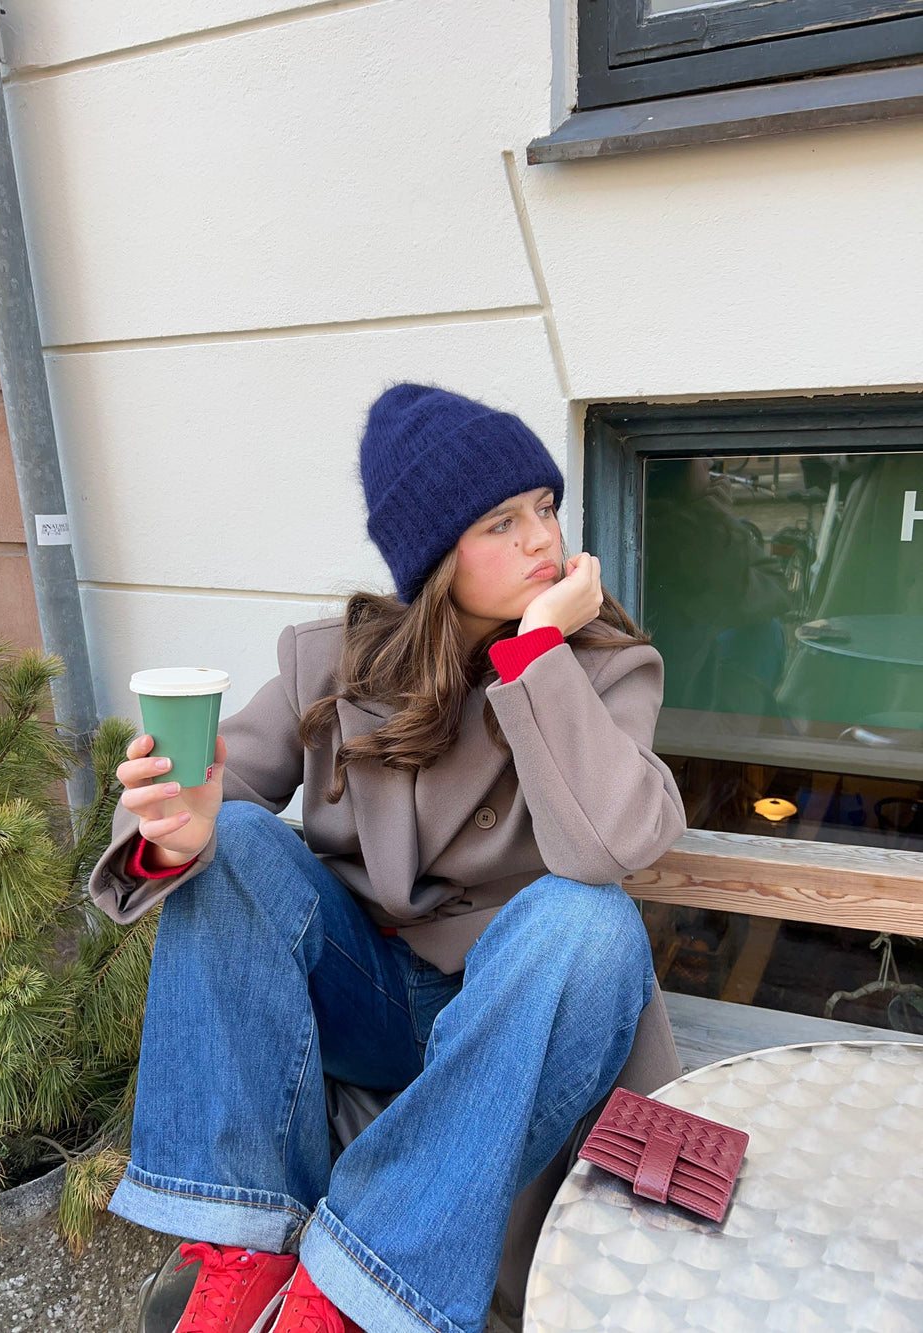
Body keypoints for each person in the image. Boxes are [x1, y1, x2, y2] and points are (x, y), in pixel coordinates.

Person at [89, 384, 687, 1333]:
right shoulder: (326, 662)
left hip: (511, 1013)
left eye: (545, 506)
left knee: (592, 918)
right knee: (237, 840)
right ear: (434, 553)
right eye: (502, 520)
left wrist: (537, 655)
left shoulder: (606, 666)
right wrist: (175, 832)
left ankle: (339, 1295)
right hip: (366, 994)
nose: (541, 537)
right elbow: (216, 801)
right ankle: (240, 1249)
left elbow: (616, 843)